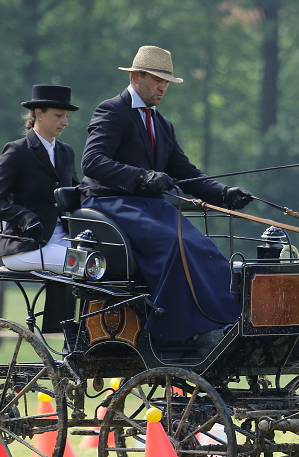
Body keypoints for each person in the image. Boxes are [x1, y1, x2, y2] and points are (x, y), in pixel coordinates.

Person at [80, 45, 254, 346]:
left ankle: (223, 321)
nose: (163, 88)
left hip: (150, 206)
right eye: (156, 80)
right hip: (110, 203)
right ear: (136, 77)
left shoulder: (162, 125)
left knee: (202, 245)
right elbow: (92, 161)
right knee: (174, 244)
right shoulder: (112, 111)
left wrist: (224, 194)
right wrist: (142, 176)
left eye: (166, 82)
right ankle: (179, 330)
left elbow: (186, 173)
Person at [0, 85, 80, 274]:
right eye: (59, 115)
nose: (65, 122)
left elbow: (75, 195)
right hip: (25, 245)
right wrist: (25, 217)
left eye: (66, 116)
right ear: (38, 113)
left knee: (104, 262)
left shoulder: (66, 152)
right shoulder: (17, 151)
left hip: (63, 240)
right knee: (83, 265)